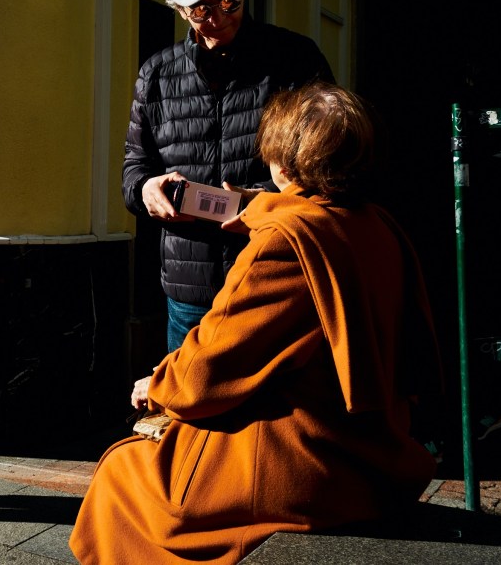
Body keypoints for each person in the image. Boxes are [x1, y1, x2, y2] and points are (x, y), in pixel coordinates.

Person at [71, 82, 444, 564]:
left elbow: (208, 370)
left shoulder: (284, 244)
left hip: (307, 465)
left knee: (124, 475)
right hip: (373, 454)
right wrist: (259, 203)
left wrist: (157, 385)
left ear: (283, 163)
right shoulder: (376, 225)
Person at [123, 0, 335, 352]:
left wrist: (263, 201)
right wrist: (146, 190)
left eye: (228, 2)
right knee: (189, 393)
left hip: (272, 277)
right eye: (200, 10)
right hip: (189, 293)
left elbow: (329, 164)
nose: (217, 19)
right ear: (179, 9)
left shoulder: (295, 58)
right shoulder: (156, 74)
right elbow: (135, 166)